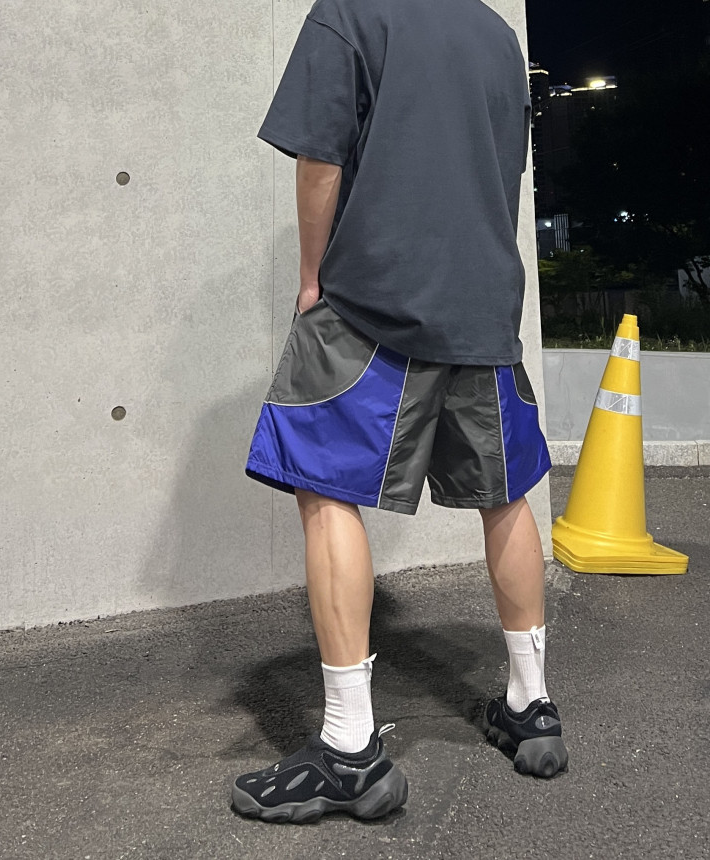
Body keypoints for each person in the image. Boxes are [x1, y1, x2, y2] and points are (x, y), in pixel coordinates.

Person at [230, 0, 568, 825]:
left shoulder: (351, 12)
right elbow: (505, 169)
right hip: (484, 301)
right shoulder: (496, 35)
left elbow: (320, 156)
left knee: (325, 488)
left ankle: (349, 749)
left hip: (376, 295)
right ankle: (531, 706)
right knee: (505, 494)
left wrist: (311, 280)